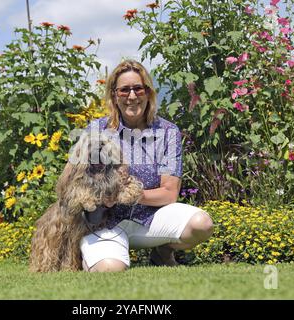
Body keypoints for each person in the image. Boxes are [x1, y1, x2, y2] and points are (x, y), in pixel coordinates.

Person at [80, 59, 214, 272]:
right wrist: (103, 196)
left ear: (148, 93)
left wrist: (129, 193)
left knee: (201, 224)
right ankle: (93, 254)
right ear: (114, 95)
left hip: (150, 219)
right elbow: (80, 183)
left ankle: (162, 252)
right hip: (106, 221)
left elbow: (169, 194)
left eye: (138, 89)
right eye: (124, 90)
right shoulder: (96, 130)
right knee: (109, 269)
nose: (132, 96)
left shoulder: (168, 132)